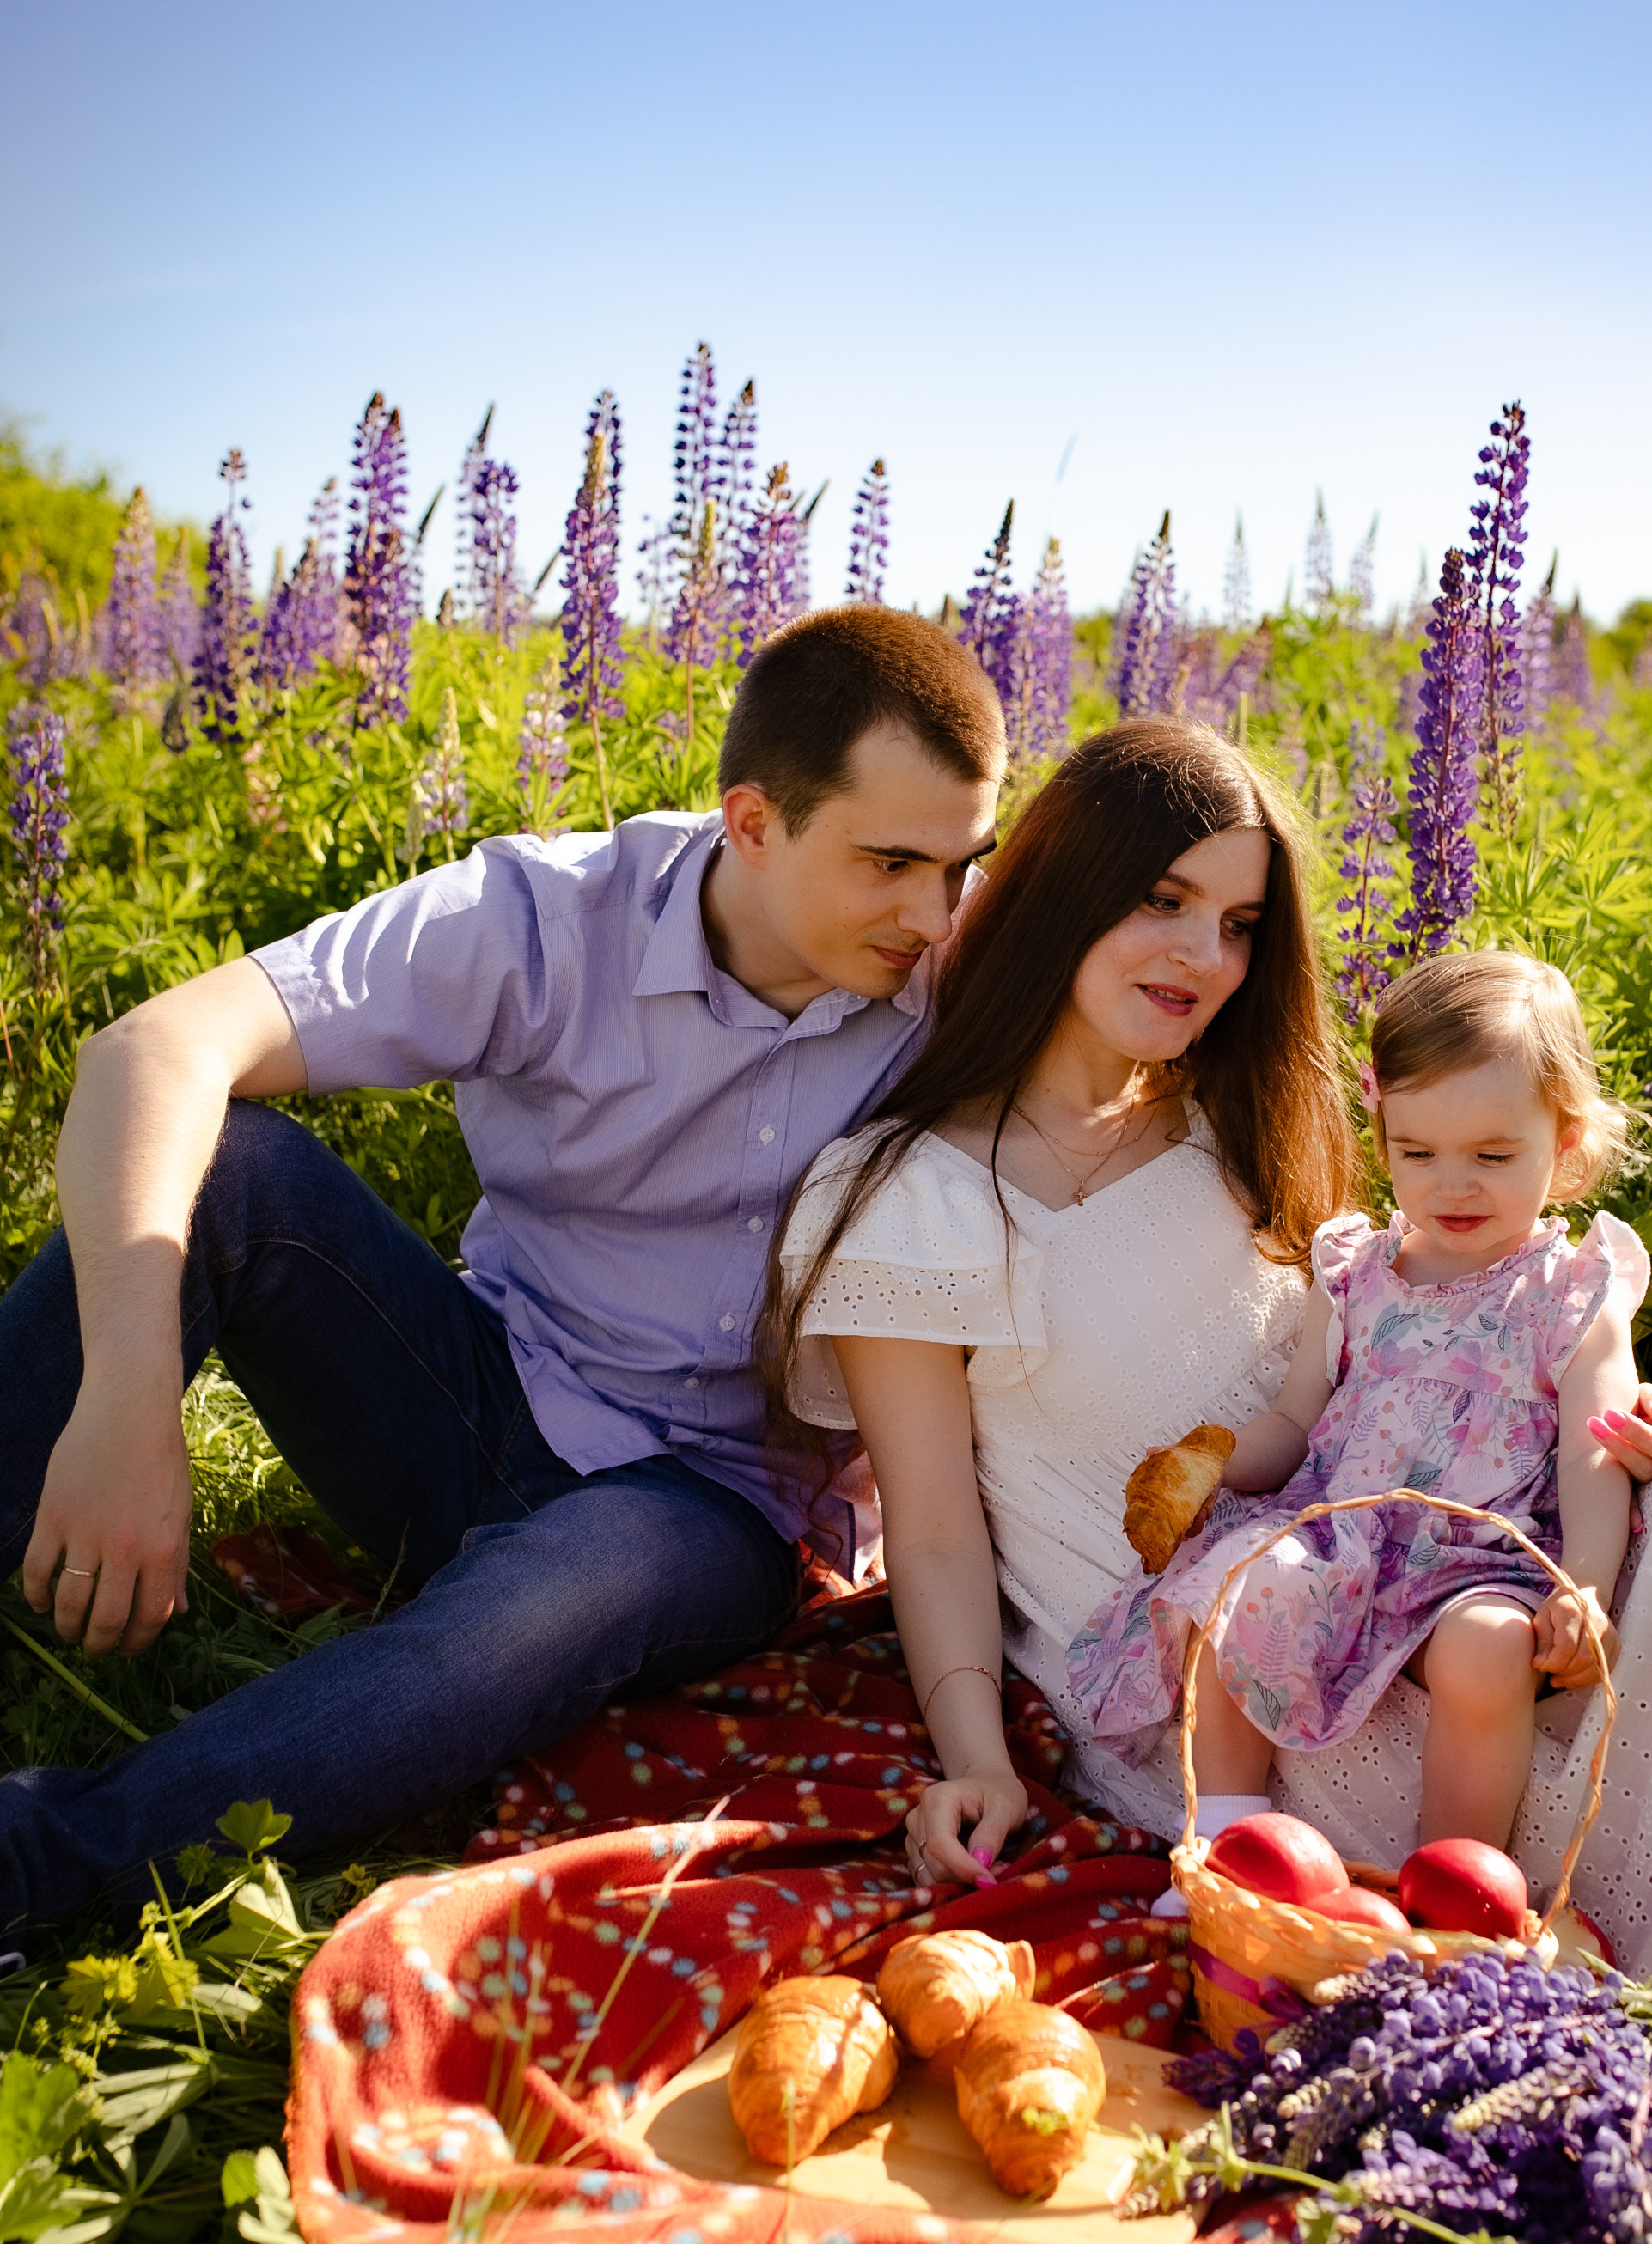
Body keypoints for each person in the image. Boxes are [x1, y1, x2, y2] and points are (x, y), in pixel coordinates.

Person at [771, 720, 1652, 2110]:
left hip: (1458, 1555)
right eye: (1161, 901)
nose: (1204, 955)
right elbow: (935, 1532)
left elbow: (1425, 1332)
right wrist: (973, 1759)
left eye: (1240, 921)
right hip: (1243, 1674)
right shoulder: (918, 1196)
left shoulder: (1227, 1112)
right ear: (1061, 885)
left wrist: (1607, 1404)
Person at [0, 607, 1005, 1934]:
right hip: (479, 1391)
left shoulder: (969, 970)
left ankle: (41, 1864)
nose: (935, 915)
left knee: (556, 1599)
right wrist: (130, 1397)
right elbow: (154, 1049)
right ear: (752, 823)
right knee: (233, 1164)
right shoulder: (553, 916)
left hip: (714, 1503)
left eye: (963, 863)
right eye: (892, 863)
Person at [1067, 950, 1647, 1901]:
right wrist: (1214, 1460)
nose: (1450, 1185)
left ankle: (1452, 1891)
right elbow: (1297, 1419)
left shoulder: (1566, 1291)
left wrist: (1581, 1584)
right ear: (1379, 1130)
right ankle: (1221, 1838)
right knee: (1240, 1585)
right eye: (1416, 1152)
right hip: (1346, 1537)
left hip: (1478, 1557)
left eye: (1492, 1157)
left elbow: (1593, 1448)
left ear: (1565, 1140)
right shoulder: (1356, 1273)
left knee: (1487, 1649)